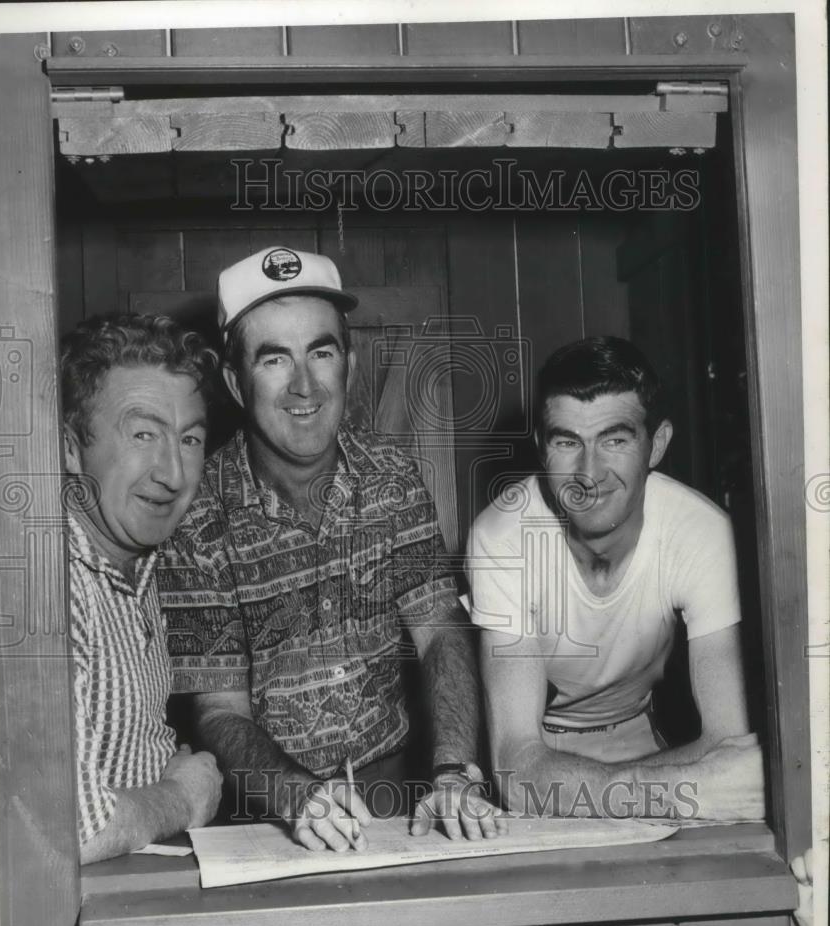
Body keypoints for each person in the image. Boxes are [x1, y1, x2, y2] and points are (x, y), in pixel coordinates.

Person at [158, 245, 506, 852]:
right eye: (274, 360)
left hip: (403, 792)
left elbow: (441, 633)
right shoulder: (195, 520)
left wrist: (453, 771)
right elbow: (218, 711)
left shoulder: (393, 479)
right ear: (236, 383)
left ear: (350, 360)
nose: (304, 386)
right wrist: (297, 796)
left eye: (321, 351)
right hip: (268, 812)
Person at [467, 336, 766, 821]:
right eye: (568, 442)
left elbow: (727, 747)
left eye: (615, 440)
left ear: (657, 444)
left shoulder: (702, 532)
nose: (589, 473)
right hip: (545, 749)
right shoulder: (501, 536)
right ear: (543, 448)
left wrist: (626, 788)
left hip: (641, 741)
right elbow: (516, 769)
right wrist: (680, 791)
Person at [61, 314, 223, 864]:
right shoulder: (48, 588)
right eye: (143, 433)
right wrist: (183, 795)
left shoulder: (146, 560)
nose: (173, 473)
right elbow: (75, 829)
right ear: (70, 448)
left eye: (190, 439)